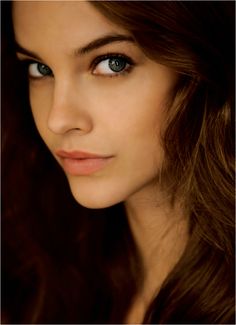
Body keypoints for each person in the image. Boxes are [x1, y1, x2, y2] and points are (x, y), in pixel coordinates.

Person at [2, 1, 234, 324]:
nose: (58, 119)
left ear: (201, 63)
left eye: (111, 63)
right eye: (39, 69)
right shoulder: (36, 281)